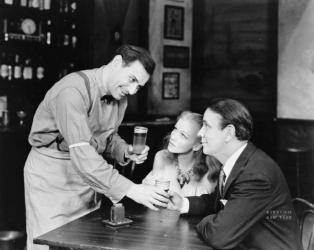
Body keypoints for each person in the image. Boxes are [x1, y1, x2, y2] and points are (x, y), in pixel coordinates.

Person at [24, 45, 169, 250]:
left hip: (89, 180)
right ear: (117, 62)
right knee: (48, 244)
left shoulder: (120, 97)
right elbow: (82, 153)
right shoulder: (72, 91)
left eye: (140, 86)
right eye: (133, 79)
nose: (133, 90)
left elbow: (107, 136)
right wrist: (131, 189)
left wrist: (124, 150)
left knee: (84, 244)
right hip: (52, 179)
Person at [167, 98, 302, 250]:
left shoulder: (256, 175)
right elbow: (217, 202)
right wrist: (183, 203)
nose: (200, 132)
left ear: (229, 133)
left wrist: (208, 220)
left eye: (206, 126)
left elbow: (219, 236)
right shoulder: (238, 161)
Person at [142, 111, 221, 197]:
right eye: (176, 129)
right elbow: (152, 197)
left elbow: (205, 206)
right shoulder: (162, 157)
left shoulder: (209, 169)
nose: (173, 136)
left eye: (183, 135)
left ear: (197, 146)